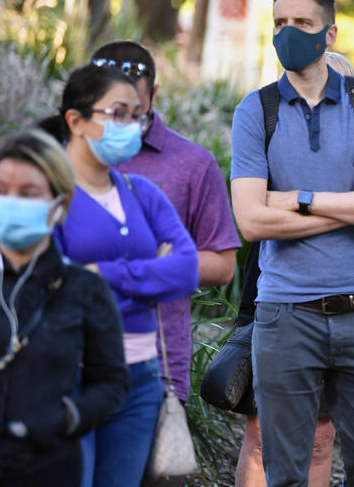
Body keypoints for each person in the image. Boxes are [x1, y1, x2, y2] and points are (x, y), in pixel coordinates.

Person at [229, 0, 354, 486]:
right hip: (285, 315)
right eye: (280, 23)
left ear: (329, 34)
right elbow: (252, 221)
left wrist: (300, 198)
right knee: (285, 472)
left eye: (302, 24)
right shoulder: (255, 110)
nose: (288, 33)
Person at [39, 64, 199, 487]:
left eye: (137, 116)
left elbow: (186, 270)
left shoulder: (141, 193)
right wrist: (150, 277)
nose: (132, 126)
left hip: (141, 378)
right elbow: (50, 285)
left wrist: (102, 274)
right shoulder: (45, 196)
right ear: (75, 120)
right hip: (69, 372)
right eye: (118, 114)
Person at [0, 130, 128, 487]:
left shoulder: (85, 290)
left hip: (47, 468)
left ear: (60, 204)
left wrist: (68, 416)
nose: (11, 202)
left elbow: (111, 381)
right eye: (0, 190)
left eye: (28, 194)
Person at [234, 48, 354, 487]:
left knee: (321, 437)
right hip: (273, 304)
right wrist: (347, 209)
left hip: (346, 309)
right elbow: (256, 217)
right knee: (262, 433)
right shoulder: (270, 143)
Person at [90, 40, 242, 402]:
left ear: (154, 95)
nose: (121, 123)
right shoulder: (61, 156)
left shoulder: (193, 164)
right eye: (109, 112)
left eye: (135, 112)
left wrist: (147, 259)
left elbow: (223, 265)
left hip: (155, 366)